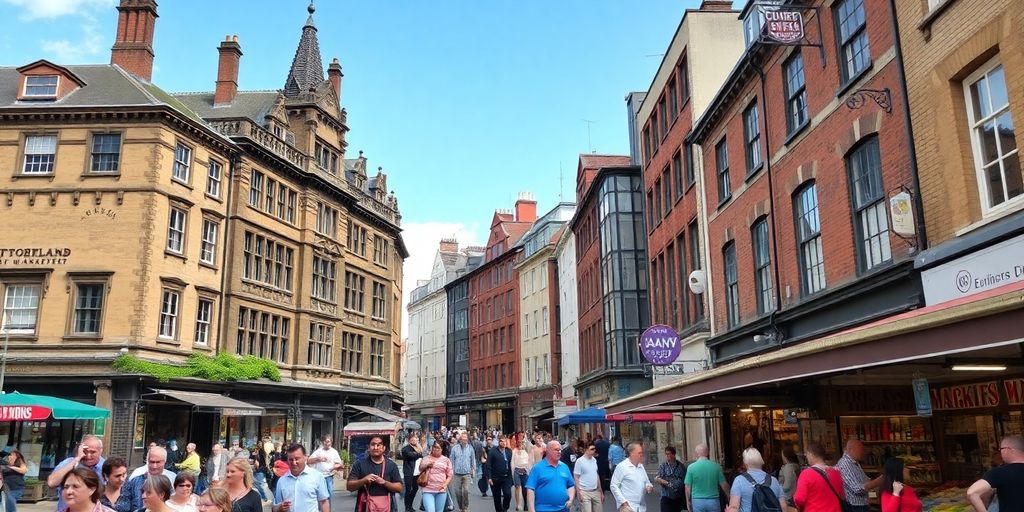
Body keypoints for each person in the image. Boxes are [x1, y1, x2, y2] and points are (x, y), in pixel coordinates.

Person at [50, 435, 107, 512]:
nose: (88, 456)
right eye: (85, 452)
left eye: (92, 452)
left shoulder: (106, 467)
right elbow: (52, 482)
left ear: (100, 451)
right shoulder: (69, 463)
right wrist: (77, 459)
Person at [967, 435, 1024, 512]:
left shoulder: (999, 472)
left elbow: (972, 493)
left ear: (1009, 449)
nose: (1000, 452)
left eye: (1001, 449)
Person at [346, 437, 402, 512]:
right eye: (373, 445)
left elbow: (399, 488)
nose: (375, 447)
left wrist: (384, 483)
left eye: (378, 445)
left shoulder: (392, 465)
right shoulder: (359, 464)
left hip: (387, 508)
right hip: (364, 507)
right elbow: (349, 486)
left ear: (384, 448)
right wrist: (364, 480)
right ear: (368, 447)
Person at [274, 444, 329, 512]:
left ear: (305, 457)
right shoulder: (282, 481)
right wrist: (279, 508)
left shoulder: (317, 477)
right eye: (291, 460)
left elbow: (324, 502)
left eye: (297, 459)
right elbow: (275, 507)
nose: (294, 462)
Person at [727, 448, 785, 512]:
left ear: (745, 464)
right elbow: (784, 507)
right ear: (761, 462)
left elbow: (734, 508)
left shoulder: (739, 481)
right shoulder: (774, 481)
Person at [793, 442, 845, 512]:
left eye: (807, 454)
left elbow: (799, 499)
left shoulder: (806, 474)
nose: (806, 456)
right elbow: (842, 495)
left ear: (811, 454)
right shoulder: (836, 472)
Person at [525, 441, 574, 512]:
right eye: (556, 450)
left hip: (563, 509)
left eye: (560, 450)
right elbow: (530, 489)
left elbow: (571, 485)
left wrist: (571, 499)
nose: (559, 452)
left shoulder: (564, 467)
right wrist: (531, 510)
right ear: (548, 451)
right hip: (543, 509)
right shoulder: (537, 468)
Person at [125, 447, 177, 511]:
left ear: (165, 461)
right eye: (152, 462)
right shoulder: (136, 476)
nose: (154, 466)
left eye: (158, 462)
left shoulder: (173, 478)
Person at [835, 440, 881, 512]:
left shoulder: (854, 462)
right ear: (851, 450)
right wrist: (879, 480)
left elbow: (866, 480)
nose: (862, 452)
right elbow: (858, 489)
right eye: (860, 449)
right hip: (854, 507)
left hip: (861, 504)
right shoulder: (845, 464)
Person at [684, 443, 729, 512]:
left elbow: (687, 487)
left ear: (696, 454)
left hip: (697, 501)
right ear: (708, 453)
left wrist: (688, 501)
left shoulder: (691, 467)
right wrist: (729, 496)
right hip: (713, 501)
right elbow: (724, 484)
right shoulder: (716, 467)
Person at [610, 442, 653, 512]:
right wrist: (623, 502)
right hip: (628, 507)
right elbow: (614, 485)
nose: (642, 455)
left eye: (642, 453)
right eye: (639, 453)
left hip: (641, 507)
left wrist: (649, 486)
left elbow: (647, 482)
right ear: (632, 453)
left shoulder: (641, 466)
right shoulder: (622, 467)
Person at [418, 442, 453, 512]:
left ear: (442, 449)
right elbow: (420, 468)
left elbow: (450, 475)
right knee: (430, 510)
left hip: (441, 491)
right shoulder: (426, 458)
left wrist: (445, 485)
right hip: (428, 490)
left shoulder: (446, 460)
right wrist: (427, 465)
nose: (435, 449)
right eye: (434, 447)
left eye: (438, 447)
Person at [307, 436, 342, 504]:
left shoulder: (334, 452)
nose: (328, 443)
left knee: (329, 494)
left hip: (329, 476)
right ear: (323, 442)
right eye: (326, 441)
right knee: (319, 495)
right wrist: (318, 459)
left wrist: (333, 467)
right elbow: (308, 461)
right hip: (319, 476)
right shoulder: (318, 451)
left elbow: (340, 464)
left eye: (329, 442)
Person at [448, 433, 476, 512]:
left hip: (467, 473)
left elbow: (473, 459)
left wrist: (473, 469)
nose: (464, 439)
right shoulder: (454, 448)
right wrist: (451, 471)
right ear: (460, 439)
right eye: (462, 438)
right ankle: (461, 507)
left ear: (467, 439)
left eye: (465, 438)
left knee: (466, 491)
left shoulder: (470, 448)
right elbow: (451, 460)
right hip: (457, 473)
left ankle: (465, 507)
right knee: (457, 492)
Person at [484, 437, 514, 512]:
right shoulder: (492, 451)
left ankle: (505, 508)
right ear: (498, 442)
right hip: (495, 478)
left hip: (507, 477)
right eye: (501, 441)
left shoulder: (509, 451)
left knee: (508, 494)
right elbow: (488, 465)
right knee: (497, 497)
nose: (504, 443)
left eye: (505, 441)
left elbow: (512, 463)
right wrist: (489, 477)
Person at [572, 442, 603, 512]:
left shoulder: (594, 460)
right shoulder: (579, 461)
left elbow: (596, 474)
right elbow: (576, 477)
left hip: (595, 491)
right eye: (592, 449)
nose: (594, 451)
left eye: (595, 449)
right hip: (584, 491)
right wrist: (579, 492)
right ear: (586, 449)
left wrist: (600, 491)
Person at [655, 446, 686, 512]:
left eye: (668, 454)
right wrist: (660, 480)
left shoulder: (680, 466)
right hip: (666, 495)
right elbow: (658, 478)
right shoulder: (663, 466)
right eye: (666, 454)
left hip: (677, 496)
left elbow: (682, 481)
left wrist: (667, 482)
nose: (667, 456)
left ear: (673, 454)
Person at [401, 434, 425, 512]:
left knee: (415, 488)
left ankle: (410, 505)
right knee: (408, 490)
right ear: (409, 440)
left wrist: (418, 453)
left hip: (417, 473)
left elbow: (422, 455)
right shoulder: (406, 449)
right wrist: (419, 454)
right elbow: (410, 455)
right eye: (413, 440)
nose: (414, 441)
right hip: (409, 472)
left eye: (416, 440)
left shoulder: (418, 447)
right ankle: (406, 507)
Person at [511, 438, 532, 512]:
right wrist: (512, 473)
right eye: (519, 442)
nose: (520, 444)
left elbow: (529, 462)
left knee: (525, 488)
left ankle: (525, 504)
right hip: (516, 470)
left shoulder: (526, 451)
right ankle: (518, 504)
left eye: (522, 442)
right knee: (517, 487)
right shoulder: (514, 451)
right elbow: (512, 462)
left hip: (525, 471)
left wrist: (529, 472)